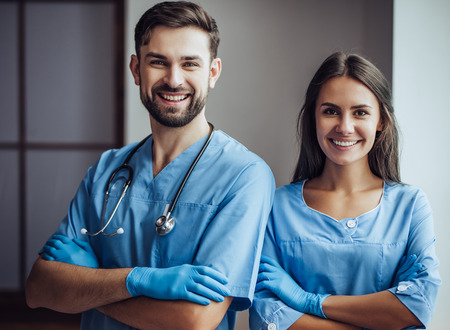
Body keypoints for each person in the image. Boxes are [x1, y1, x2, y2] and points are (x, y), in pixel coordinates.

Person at [25, 2, 275, 329]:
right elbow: (39, 288)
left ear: (212, 73)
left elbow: (194, 320)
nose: (173, 80)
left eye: (189, 64)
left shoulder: (244, 176)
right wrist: (138, 280)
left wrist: (91, 282)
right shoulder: (107, 170)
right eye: (158, 62)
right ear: (135, 69)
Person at [249, 52, 440, 330]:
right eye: (330, 111)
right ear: (314, 117)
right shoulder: (276, 207)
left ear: (381, 121)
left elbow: (418, 305)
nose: (345, 127)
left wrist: (308, 301)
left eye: (360, 112)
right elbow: (266, 317)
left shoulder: (410, 206)